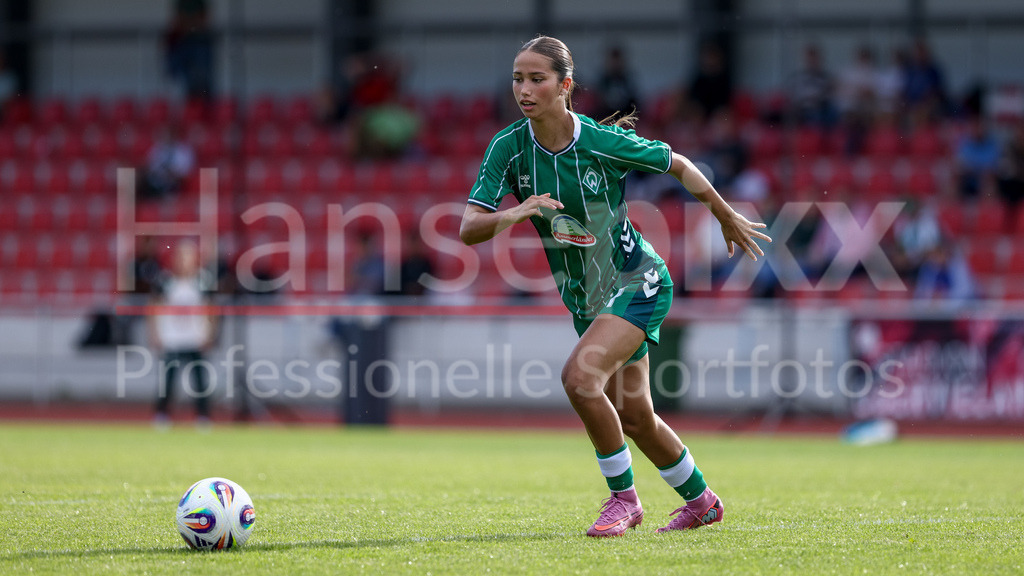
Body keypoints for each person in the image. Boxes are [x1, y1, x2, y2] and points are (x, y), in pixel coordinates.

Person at [459, 36, 771, 537]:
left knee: (580, 380)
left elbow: (679, 164)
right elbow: (468, 228)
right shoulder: (508, 147)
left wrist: (725, 214)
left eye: (537, 78)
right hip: (589, 301)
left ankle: (623, 502)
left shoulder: (600, 142)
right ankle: (703, 502)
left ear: (565, 85)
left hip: (638, 280)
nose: (524, 88)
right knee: (636, 418)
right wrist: (516, 211)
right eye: (518, 78)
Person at [148, 241, 218, 427]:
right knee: (168, 380)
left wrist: (209, 334)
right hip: (172, 338)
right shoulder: (166, 281)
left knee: (200, 380)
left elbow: (211, 310)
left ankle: (203, 416)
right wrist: (155, 333)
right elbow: (154, 307)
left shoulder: (202, 281)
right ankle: (162, 415)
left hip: (195, 337)